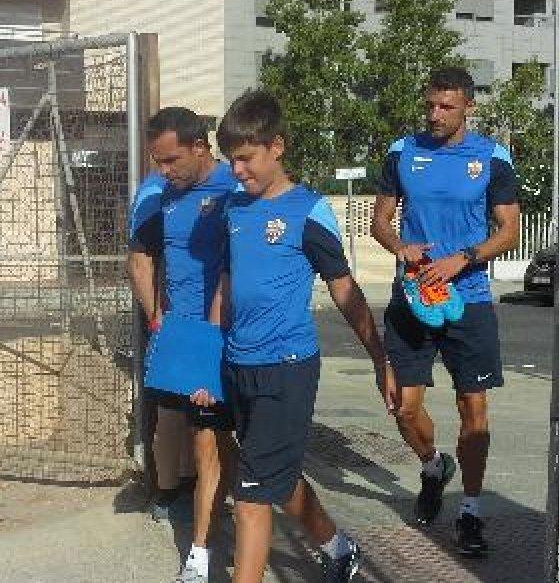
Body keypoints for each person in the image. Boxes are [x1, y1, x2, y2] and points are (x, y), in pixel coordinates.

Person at [206, 90, 395, 583]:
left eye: (245, 159)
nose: (238, 170)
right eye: (231, 161)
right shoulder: (233, 211)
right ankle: (339, 548)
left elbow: (344, 290)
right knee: (278, 477)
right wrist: (206, 359)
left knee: (250, 497)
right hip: (236, 364)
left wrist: (380, 357)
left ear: (277, 147)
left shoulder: (308, 211)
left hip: (285, 369)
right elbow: (224, 288)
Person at [369, 67, 520, 558]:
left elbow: (509, 230)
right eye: (430, 105)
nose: (435, 114)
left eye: (446, 107)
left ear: (467, 108)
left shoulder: (492, 158)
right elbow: (380, 222)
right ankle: (434, 465)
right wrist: (401, 246)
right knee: (404, 404)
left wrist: (463, 258)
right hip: (412, 297)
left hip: (468, 299)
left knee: (472, 410)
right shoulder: (401, 152)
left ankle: (471, 512)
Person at [126, 106, 240, 583]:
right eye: (157, 161)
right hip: (185, 329)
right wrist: (158, 318)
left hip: (236, 329)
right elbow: (139, 259)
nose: (163, 171)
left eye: (171, 160)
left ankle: (228, 504)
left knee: (227, 425)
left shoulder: (236, 188)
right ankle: (177, 501)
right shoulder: (155, 195)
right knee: (184, 419)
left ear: (200, 147)